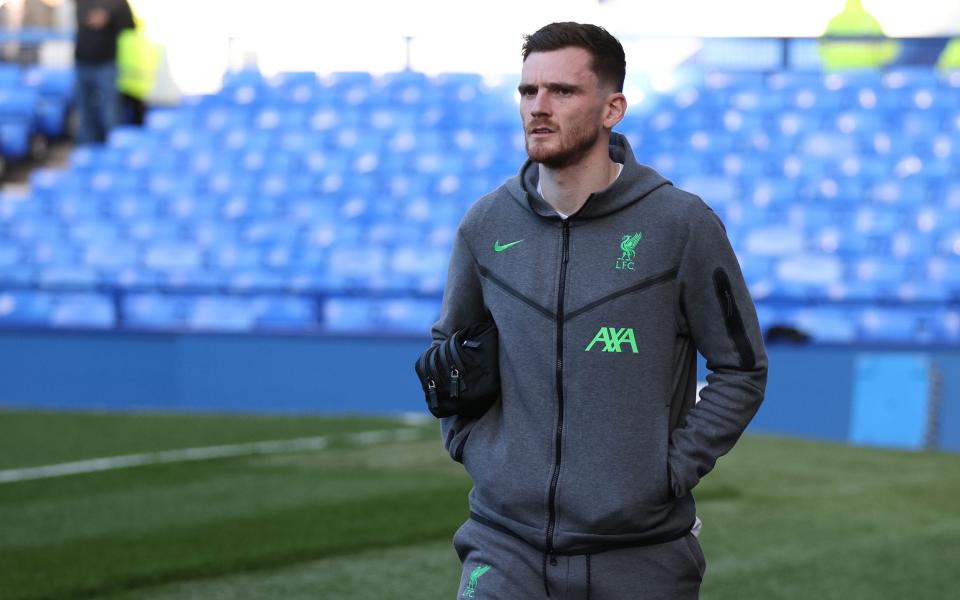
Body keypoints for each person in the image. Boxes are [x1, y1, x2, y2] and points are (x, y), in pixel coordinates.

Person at [430, 22, 768, 599]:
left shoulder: (680, 225)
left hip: (641, 556)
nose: (539, 107)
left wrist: (666, 473)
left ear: (613, 108)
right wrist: (477, 450)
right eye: (527, 91)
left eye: (562, 91)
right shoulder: (486, 225)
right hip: (503, 544)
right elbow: (448, 355)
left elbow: (742, 369)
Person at [74, 0, 134, 144]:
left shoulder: (118, 3)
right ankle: (88, 155)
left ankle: (114, 151)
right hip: (83, 62)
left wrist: (109, 17)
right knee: (85, 113)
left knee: (111, 112)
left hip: (106, 63)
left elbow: (130, 26)